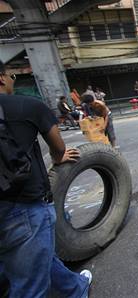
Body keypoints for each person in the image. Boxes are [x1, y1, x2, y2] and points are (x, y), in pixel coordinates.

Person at [0, 60, 92, 297]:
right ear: (1, 78)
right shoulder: (28, 106)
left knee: (32, 256)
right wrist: (57, 158)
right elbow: (58, 148)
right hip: (24, 204)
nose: (12, 80)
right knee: (29, 287)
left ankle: (76, 288)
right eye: (11, 76)